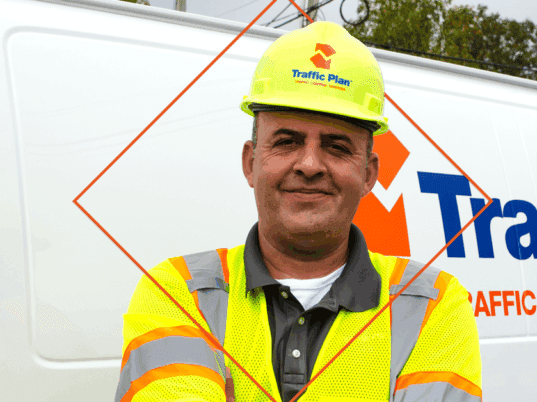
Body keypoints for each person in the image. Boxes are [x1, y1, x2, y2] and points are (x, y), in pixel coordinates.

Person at [115, 21, 481, 402]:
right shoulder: (178, 292)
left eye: (337, 146)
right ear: (250, 163)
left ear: (369, 174)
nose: (309, 164)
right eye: (287, 141)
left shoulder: (430, 304)